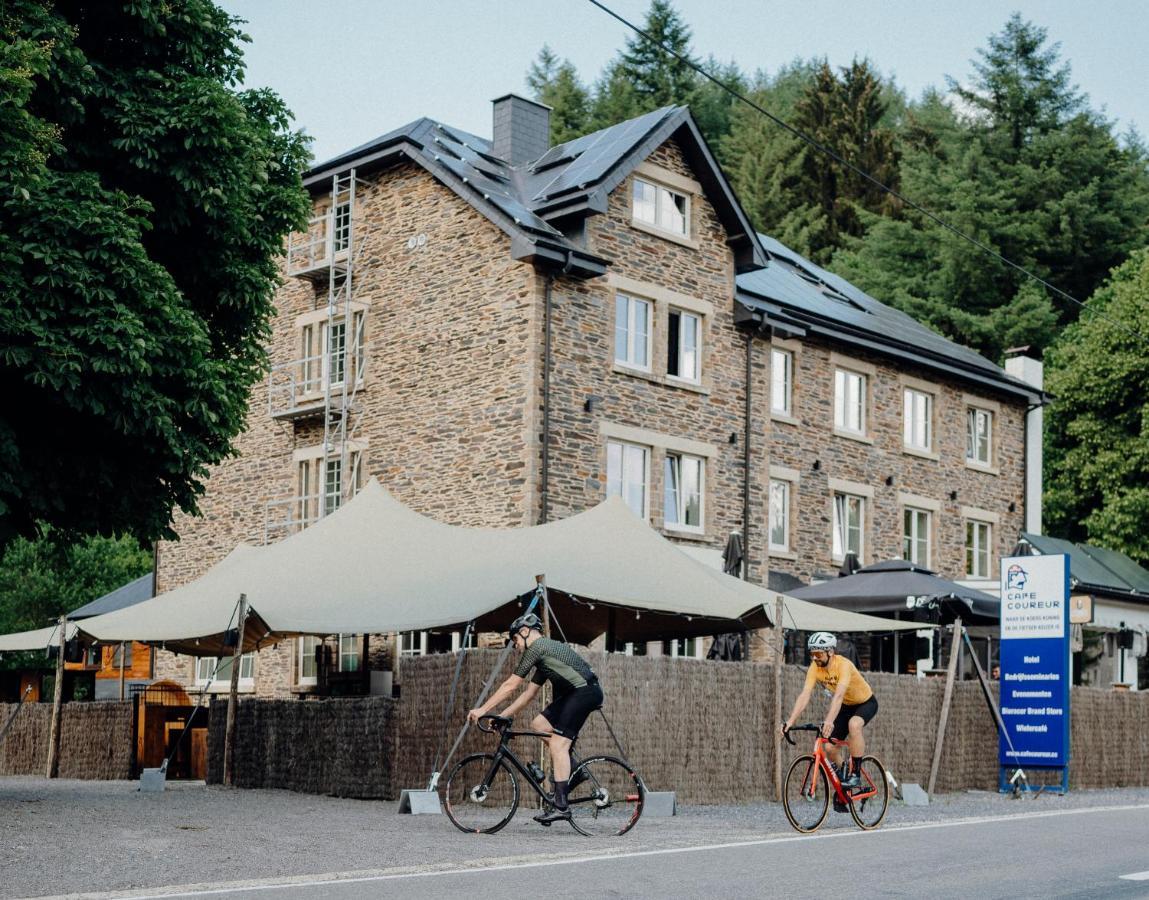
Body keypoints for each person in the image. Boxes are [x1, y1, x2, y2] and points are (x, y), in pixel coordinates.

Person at [468, 612, 603, 824]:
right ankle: (574, 769)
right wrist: (502, 716)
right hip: (576, 693)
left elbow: (511, 685)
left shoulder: (538, 647)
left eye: (514, 640)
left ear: (524, 632)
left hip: (584, 692)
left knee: (558, 745)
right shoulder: (544, 658)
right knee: (539, 724)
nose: (515, 645)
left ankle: (561, 806)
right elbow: (527, 694)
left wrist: (483, 709)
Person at [781, 632, 878, 798]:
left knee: (854, 725)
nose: (814, 658)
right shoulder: (815, 668)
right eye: (811, 654)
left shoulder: (844, 665)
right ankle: (844, 784)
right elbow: (805, 695)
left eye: (818, 654)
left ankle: (855, 774)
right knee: (829, 748)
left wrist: (829, 721)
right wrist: (790, 721)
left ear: (830, 652)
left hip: (865, 702)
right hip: (847, 706)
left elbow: (838, 696)